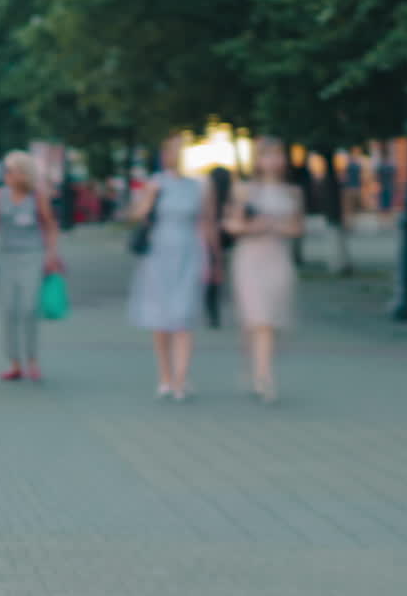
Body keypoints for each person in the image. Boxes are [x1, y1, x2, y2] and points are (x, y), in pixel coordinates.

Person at [128, 135, 220, 403]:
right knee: (160, 318)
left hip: (189, 253)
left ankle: (181, 378)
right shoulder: (157, 183)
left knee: (183, 315)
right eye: (172, 152)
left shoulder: (202, 185)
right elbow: (136, 214)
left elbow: (208, 223)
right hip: (158, 254)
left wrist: (214, 259)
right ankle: (165, 376)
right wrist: (150, 198)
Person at [225, 138, 303, 404]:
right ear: (257, 160)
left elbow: (296, 228)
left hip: (277, 258)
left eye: (278, 155)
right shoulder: (245, 190)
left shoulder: (292, 192)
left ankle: (256, 369)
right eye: (267, 155)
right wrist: (251, 228)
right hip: (250, 259)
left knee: (270, 320)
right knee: (258, 320)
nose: (273, 161)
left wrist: (276, 227)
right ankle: (263, 377)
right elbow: (232, 225)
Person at [0, 150, 63, 382]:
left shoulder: (37, 196)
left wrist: (51, 254)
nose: (7, 174)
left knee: (29, 308)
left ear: (23, 173)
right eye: (6, 170)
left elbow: (50, 225)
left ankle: (32, 360)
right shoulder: (0, 195)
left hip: (32, 256)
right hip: (6, 256)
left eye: (12, 170)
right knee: (9, 309)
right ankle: (14, 362)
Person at [205, 165, 235, 329]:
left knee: (211, 280)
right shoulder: (229, 198)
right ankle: (213, 313)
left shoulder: (208, 198)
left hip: (209, 243)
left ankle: (212, 313)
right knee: (215, 278)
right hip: (222, 243)